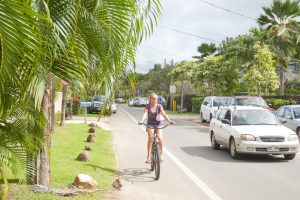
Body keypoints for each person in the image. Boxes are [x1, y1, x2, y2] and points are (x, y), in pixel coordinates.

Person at [138, 93, 173, 164]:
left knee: (160, 137)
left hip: (158, 124)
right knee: (151, 138)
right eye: (153, 99)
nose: (155, 100)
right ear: (150, 99)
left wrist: (169, 121)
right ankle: (148, 157)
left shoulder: (159, 106)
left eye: (156, 99)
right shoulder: (148, 107)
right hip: (150, 124)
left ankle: (161, 155)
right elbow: (145, 114)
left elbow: (163, 114)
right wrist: (141, 120)